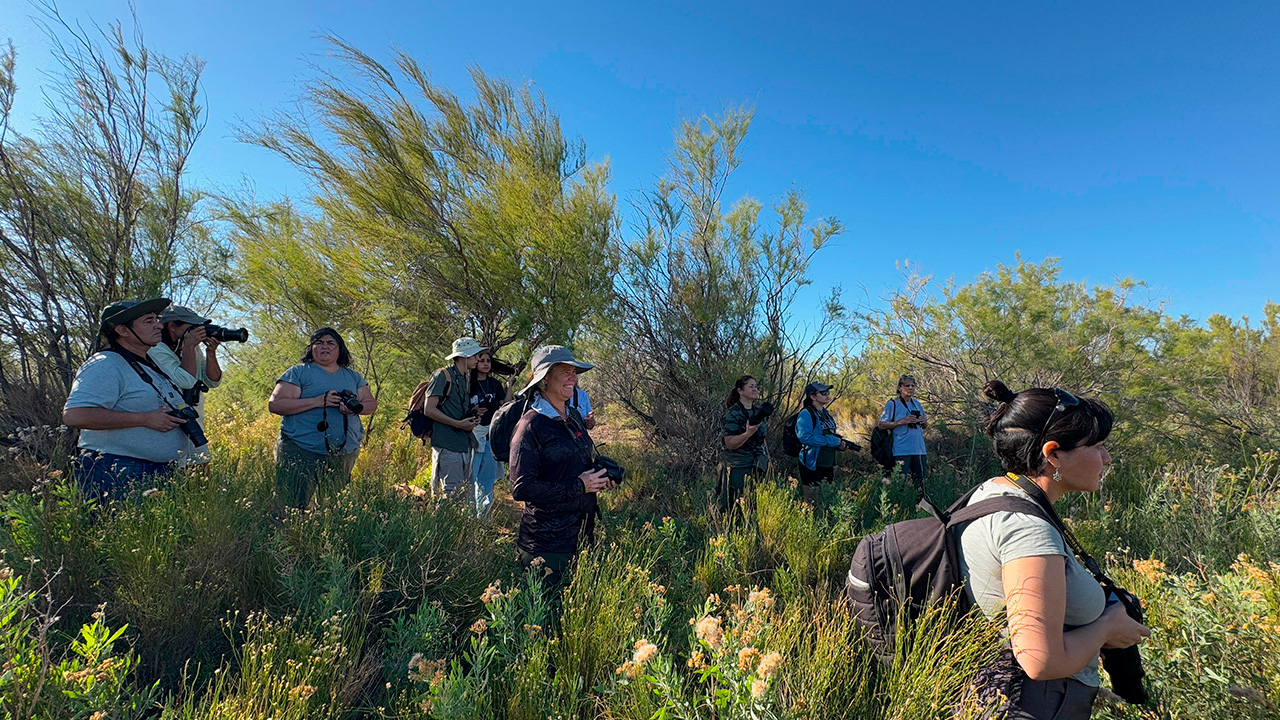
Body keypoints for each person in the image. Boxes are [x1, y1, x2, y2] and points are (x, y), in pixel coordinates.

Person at [957, 380, 1150, 719]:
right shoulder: (1026, 529)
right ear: (1053, 454)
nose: (1106, 458)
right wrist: (1107, 628)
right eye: (1098, 446)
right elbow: (1040, 660)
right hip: (1038, 703)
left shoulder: (993, 492)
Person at [62, 298, 192, 500]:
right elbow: (74, 416)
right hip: (116, 472)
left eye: (156, 319)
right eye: (148, 321)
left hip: (155, 471)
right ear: (123, 330)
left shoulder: (149, 363)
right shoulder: (104, 364)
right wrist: (144, 419)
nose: (159, 325)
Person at [509, 345, 614, 587]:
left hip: (580, 536)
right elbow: (521, 489)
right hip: (546, 545)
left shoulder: (574, 416)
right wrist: (579, 486)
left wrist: (599, 478)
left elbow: (576, 465)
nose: (573, 377)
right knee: (544, 618)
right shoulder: (530, 427)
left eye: (575, 372)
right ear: (545, 379)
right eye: (565, 372)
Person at [268, 328, 377, 510]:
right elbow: (276, 404)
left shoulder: (353, 376)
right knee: (291, 505)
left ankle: (324, 537)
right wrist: (317, 402)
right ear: (311, 348)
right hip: (301, 449)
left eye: (330, 343)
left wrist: (350, 409)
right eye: (319, 342)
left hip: (343, 452)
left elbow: (370, 404)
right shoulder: (298, 373)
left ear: (340, 349)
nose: (324, 346)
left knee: (333, 507)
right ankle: (285, 537)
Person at [148, 305, 222, 468]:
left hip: (193, 425)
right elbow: (184, 381)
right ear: (172, 327)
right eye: (192, 328)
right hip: (168, 426)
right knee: (175, 478)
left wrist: (211, 353)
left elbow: (213, 381)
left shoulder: (193, 349)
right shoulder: (155, 349)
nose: (198, 332)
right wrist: (188, 347)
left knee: (201, 473)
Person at [423, 337, 485, 500]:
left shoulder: (464, 377)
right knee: (449, 495)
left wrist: (471, 415)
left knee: (460, 495)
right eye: (475, 355)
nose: (478, 359)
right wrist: (458, 424)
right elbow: (429, 409)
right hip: (447, 444)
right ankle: (441, 525)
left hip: (462, 444)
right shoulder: (442, 375)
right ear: (464, 356)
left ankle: (454, 525)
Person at [469, 350, 514, 518]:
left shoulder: (494, 384)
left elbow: (506, 404)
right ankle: (469, 517)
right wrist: (473, 410)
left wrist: (509, 386)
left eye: (488, 361)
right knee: (470, 479)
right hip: (473, 435)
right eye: (481, 360)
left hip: (490, 436)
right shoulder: (468, 383)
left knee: (487, 481)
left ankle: (484, 518)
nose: (485, 364)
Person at [795, 381, 852, 506]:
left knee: (825, 498)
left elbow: (829, 436)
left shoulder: (826, 414)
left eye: (828, 392)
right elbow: (805, 437)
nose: (827, 395)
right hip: (811, 463)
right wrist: (831, 441)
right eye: (823, 393)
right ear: (813, 396)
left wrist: (839, 445)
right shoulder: (806, 414)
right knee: (810, 501)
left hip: (828, 463)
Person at [718, 375, 768, 511]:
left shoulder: (758, 411)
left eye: (756, 386)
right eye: (751, 386)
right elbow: (730, 443)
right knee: (737, 505)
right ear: (740, 390)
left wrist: (768, 461)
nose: (755, 389)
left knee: (756, 503)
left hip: (757, 463)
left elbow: (763, 439)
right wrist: (747, 434)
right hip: (738, 465)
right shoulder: (732, 414)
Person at [876, 375, 928, 486]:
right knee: (899, 482)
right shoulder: (892, 404)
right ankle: (899, 503)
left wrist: (923, 422)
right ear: (900, 388)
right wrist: (901, 422)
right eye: (907, 386)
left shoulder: (917, 404)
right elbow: (881, 425)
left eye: (913, 386)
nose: (910, 388)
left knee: (921, 482)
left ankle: (920, 502)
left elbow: (925, 426)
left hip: (919, 449)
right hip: (901, 450)